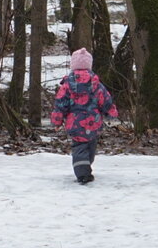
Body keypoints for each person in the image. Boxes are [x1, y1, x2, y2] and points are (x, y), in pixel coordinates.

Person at [50, 47, 118, 183]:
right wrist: (111, 112)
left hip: (75, 123)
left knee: (79, 148)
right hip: (94, 122)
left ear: (73, 65)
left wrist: (57, 121)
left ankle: (83, 170)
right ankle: (84, 171)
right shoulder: (96, 84)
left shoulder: (67, 85)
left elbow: (60, 104)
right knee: (90, 146)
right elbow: (105, 100)